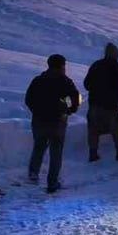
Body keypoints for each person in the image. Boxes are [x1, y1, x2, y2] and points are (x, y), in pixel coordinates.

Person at [25, 54, 80, 194]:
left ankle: (33, 174)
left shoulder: (38, 80)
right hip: (58, 121)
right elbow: (75, 97)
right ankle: (52, 182)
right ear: (62, 66)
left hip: (39, 120)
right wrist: (70, 110)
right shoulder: (65, 81)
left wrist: (36, 111)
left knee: (39, 147)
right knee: (56, 152)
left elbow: (28, 99)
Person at [84, 43, 118, 163]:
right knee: (117, 129)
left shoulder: (96, 65)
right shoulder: (117, 67)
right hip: (111, 107)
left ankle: (93, 154)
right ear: (115, 54)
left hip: (95, 105)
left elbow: (86, 84)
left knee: (93, 130)